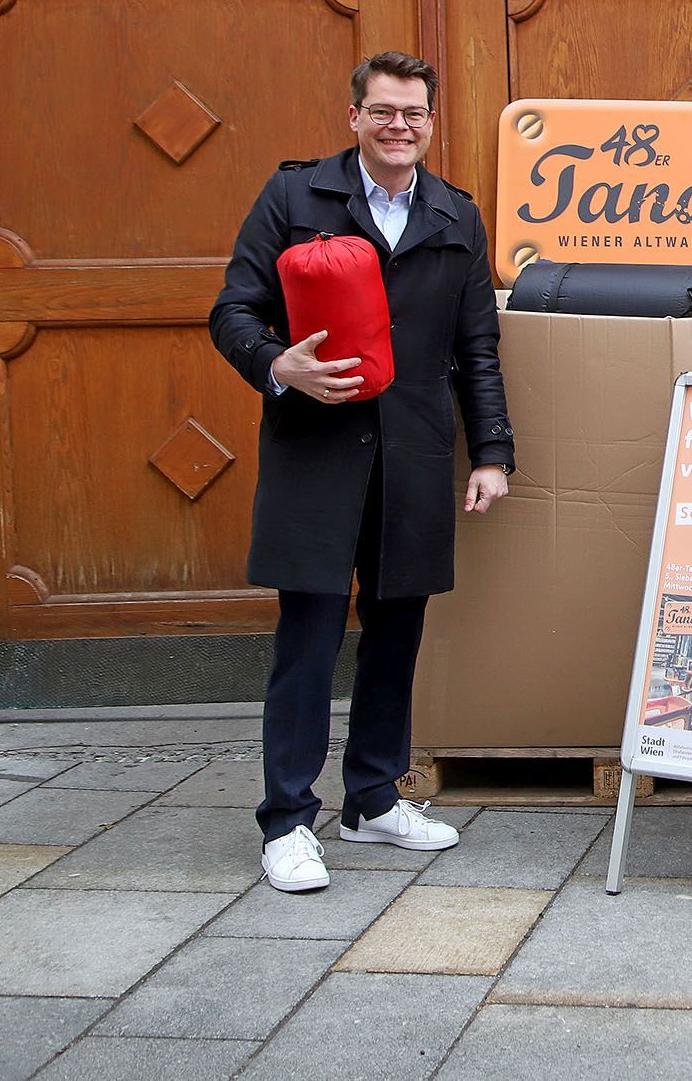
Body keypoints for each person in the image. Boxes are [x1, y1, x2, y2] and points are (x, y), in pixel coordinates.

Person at [211, 52, 515, 893]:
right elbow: (232, 308)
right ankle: (286, 822)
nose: (398, 127)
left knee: (396, 632)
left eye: (413, 114)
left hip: (413, 453)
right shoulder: (294, 196)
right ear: (354, 117)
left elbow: (476, 343)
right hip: (315, 449)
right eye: (382, 112)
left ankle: (374, 798)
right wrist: (280, 365)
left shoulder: (456, 213)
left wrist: (490, 451)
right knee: (307, 637)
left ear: (430, 123)